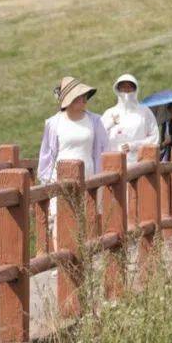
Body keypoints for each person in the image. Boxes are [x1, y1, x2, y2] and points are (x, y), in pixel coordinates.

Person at [38, 76, 110, 244]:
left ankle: (85, 261)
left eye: (85, 96)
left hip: (88, 173)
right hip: (60, 174)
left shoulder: (95, 121)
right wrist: (46, 180)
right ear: (68, 100)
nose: (83, 100)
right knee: (59, 216)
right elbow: (46, 153)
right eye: (79, 97)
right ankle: (61, 263)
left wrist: (103, 176)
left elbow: (104, 149)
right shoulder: (53, 123)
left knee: (86, 216)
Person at [101, 74, 159, 165]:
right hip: (115, 164)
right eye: (123, 87)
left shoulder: (145, 112)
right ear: (117, 89)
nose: (126, 91)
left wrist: (134, 145)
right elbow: (99, 138)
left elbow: (155, 138)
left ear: (135, 89)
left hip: (140, 163)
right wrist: (110, 124)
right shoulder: (109, 113)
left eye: (129, 87)